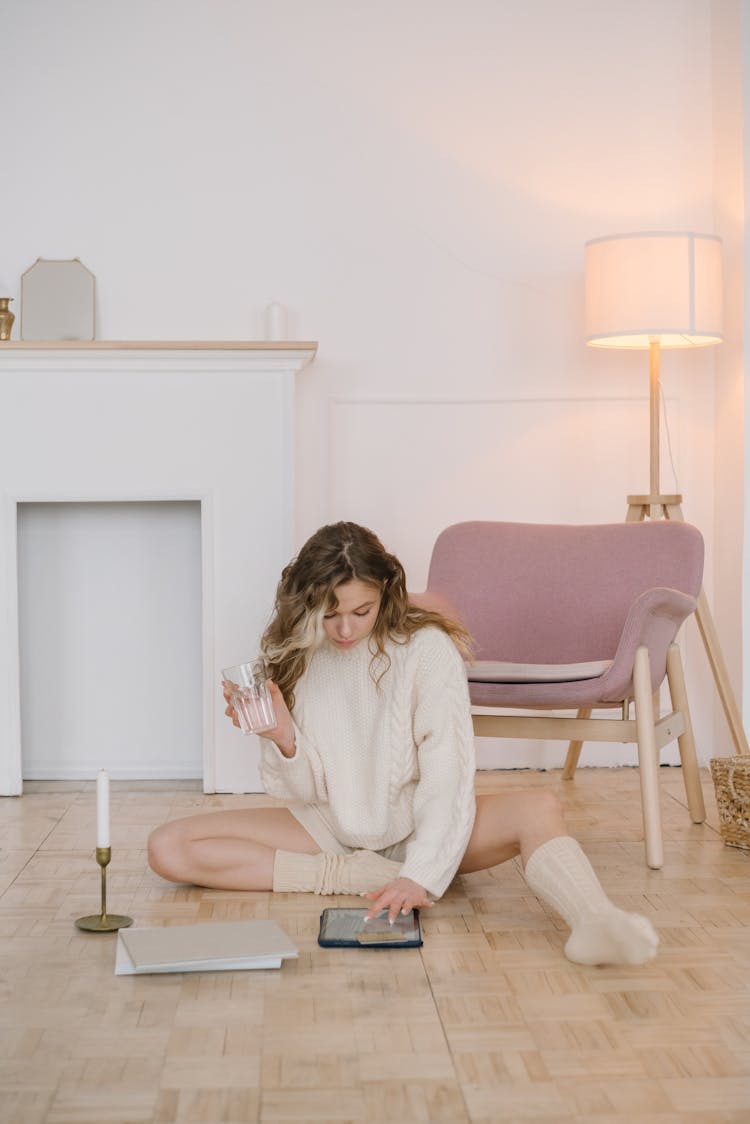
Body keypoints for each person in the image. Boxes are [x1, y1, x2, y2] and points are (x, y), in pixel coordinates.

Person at [148, 521, 658, 966]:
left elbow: (446, 775)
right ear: (305, 602)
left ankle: (596, 922)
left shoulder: (427, 649)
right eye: (328, 614)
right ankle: (346, 875)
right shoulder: (295, 653)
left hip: (416, 825)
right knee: (168, 848)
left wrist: (421, 873)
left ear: (387, 590)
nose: (344, 629)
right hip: (331, 827)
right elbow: (303, 791)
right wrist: (281, 737)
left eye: (361, 611)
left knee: (539, 808)